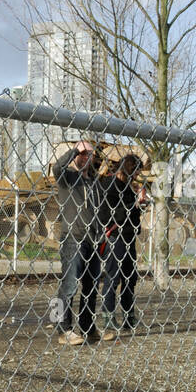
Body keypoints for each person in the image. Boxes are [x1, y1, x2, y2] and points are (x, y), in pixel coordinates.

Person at [51, 139, 104, 345]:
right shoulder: (68, 177)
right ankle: (62, 329)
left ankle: (88, 327)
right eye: (82, 154)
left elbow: (98, 209)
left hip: (93, 239)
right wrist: (75, 149)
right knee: (69, 284)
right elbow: (57, 167)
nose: (85, 157)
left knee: (91, 286)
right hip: (73, 237)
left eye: (88, 154)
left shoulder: (93, 182)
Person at [98, 154, 146, 340]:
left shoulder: (128, 187)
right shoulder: (109, 185)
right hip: (115, 238)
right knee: (113, 277)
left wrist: (137, 206)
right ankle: (108, 316)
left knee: (130, 278)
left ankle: (129, 316)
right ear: (129, 168)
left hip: (129, 237)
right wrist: (133, 205)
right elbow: (107, 214)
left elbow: (131, 214)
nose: (138, 175)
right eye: (136, 170)